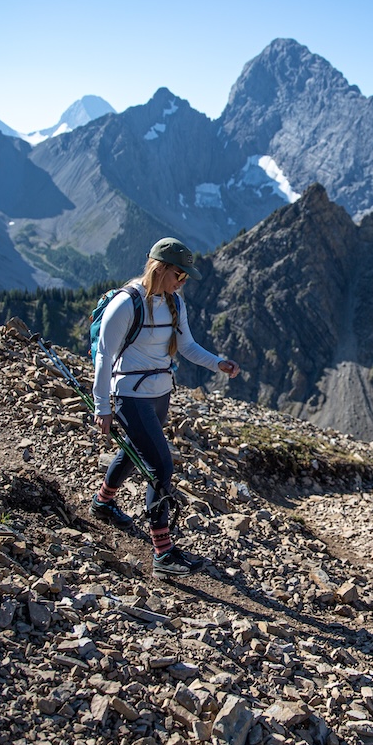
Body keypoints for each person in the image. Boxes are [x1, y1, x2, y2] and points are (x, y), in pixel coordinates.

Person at [89, 237, 240, 576]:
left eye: (185, 277)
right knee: (161, 465)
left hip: (159, 394)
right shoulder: (127, 303)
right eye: (179, 274)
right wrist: (102, 406)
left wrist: (219, 363)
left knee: (132, 450)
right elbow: (103, 355)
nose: (182, 281)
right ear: (160, 269)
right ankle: (162, 553)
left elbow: (186, 347)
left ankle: (103, 502)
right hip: (130, 395)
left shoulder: (174, 304)